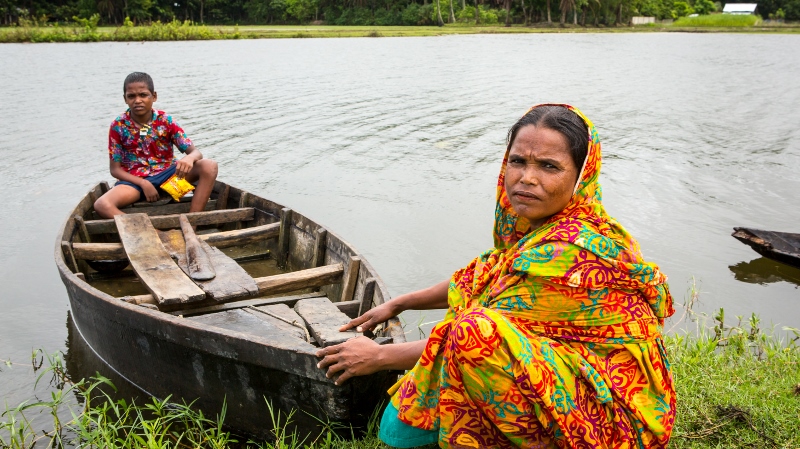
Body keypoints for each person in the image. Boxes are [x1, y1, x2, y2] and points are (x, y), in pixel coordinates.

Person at [316, 104, 675, 448]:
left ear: (581, 176)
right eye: (517, 162)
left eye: (549, 166)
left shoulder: (573, 249)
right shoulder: (545, 230)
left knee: (470, 334)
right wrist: (399, 303)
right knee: (401, 420)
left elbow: (475, 337)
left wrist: (379, 357)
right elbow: (482, 276)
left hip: (613, 419)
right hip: (569, 376)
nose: (526, 178)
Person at [94, 72, 218, 218]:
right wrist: (143, 184)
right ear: (125, 99)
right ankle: (154, 233)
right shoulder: (118, 125)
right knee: (102, 205)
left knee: (209, 166)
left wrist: (189, 158)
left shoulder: (166, 120)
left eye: (143, 95)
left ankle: (192, 226)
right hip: (135, 184)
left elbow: (196, 152)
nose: (138, 100)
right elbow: (115, 170)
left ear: (154, 96)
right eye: (131, 96)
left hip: (169, 179)